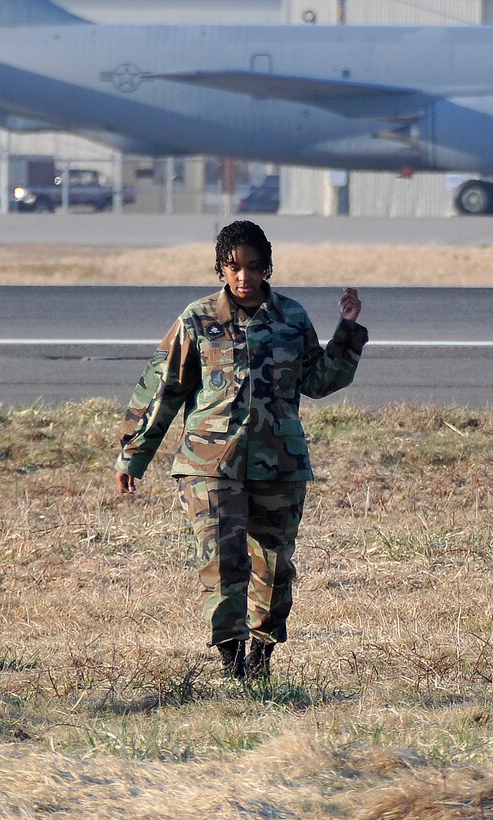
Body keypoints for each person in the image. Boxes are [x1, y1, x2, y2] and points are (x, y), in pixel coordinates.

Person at [115, 220, 366, 681]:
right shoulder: (197, 319)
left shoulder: (292, 317)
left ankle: (262, 659)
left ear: (267, 267)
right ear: (220, 269)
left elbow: (319, 380)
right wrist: (134, 454)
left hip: (279, 465)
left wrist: (347, 330)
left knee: (273, 562)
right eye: (233, 268)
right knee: (222, 559)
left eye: (252, 267)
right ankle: (231, 661)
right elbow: (162, 388)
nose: (243, 277)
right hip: (209, 464)